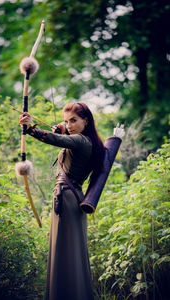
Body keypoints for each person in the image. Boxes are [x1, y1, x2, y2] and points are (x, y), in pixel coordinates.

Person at [19, 102, 124, 300]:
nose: (69, 125)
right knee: (67, 250)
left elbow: (56, 139)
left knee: (66, 250)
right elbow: (65, 139)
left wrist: (31, 128)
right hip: (69, 197)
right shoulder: (84, 141)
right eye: (67, 121)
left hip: (66, 198)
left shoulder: (82, 141)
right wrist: (63, 130)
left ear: (86, 120)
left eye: (74, 120)